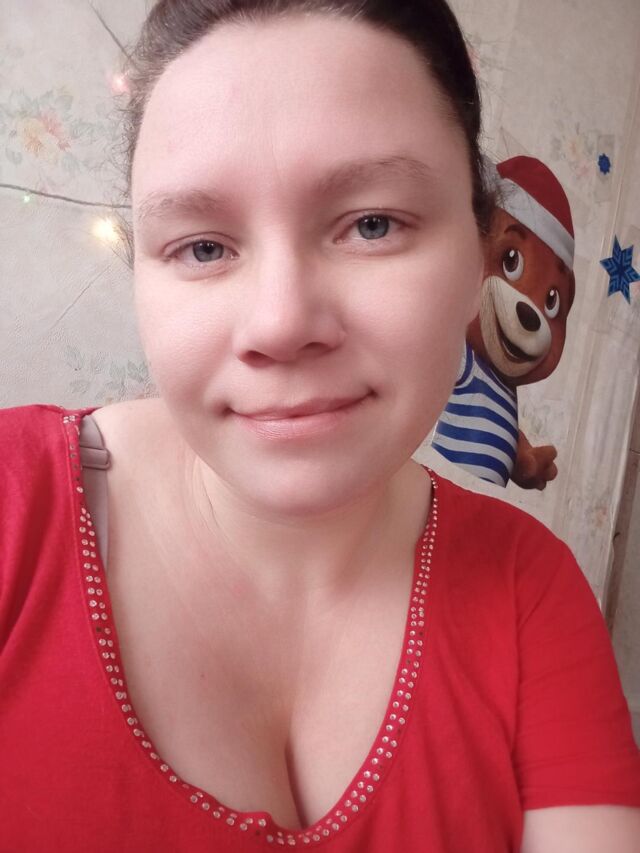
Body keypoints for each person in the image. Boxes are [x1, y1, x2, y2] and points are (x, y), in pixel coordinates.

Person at [1, 1, 639, 850]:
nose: (279, 322)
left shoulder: (534, 594)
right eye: (203, 247)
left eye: (372, 224)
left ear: (478, 253)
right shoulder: (13, 512)